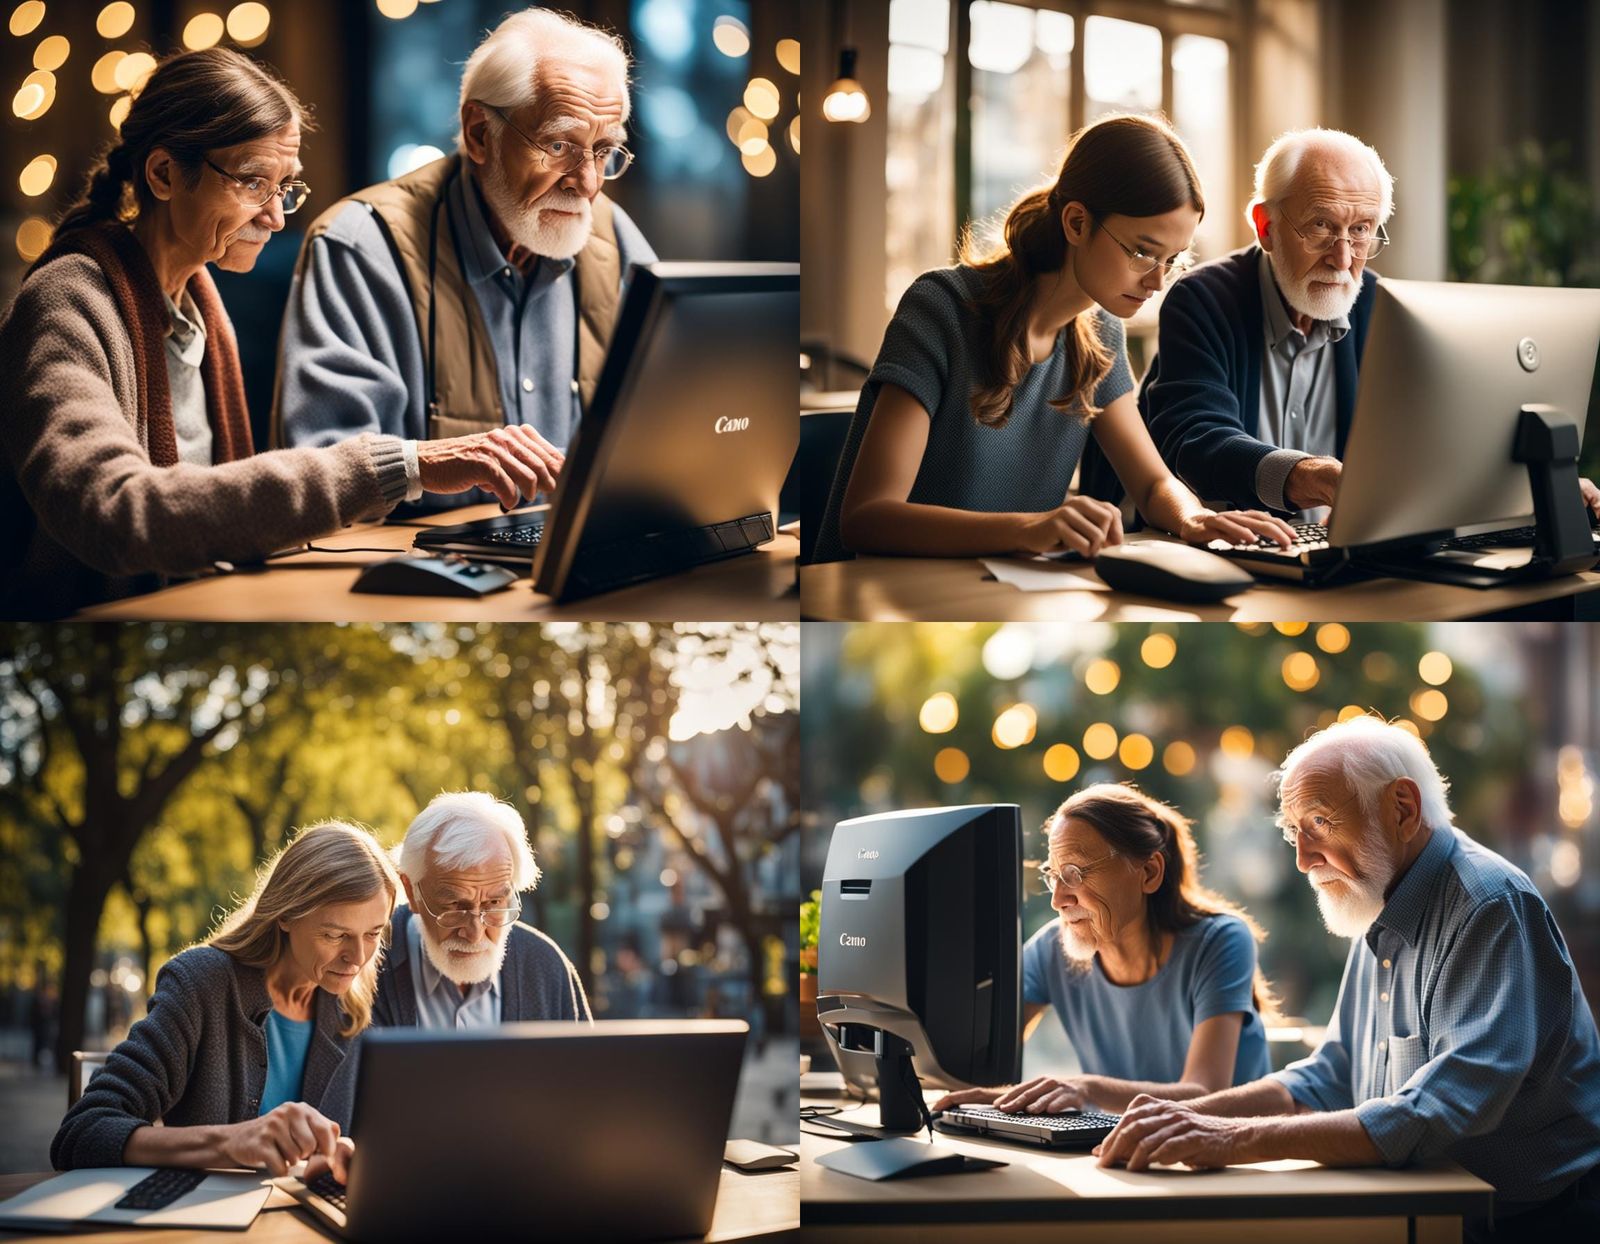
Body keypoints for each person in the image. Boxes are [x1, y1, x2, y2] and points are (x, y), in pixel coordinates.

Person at [0, 48, 566, 619]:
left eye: (285, 188)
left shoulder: (196, 298)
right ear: (165, 174)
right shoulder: (67, 300)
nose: (276, 217)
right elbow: (118, 513)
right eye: (252, 183)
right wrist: (404, 465)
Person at [1094, 717, 1600, 1242]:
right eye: (1294, 831)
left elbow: (1435, 1110)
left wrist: (1231, 1138)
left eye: (1318, 823)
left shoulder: (1488, 906)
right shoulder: (1379, 895)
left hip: (1535, 1223)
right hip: (1430, 1213)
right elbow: (1328, 1077)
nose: (1302, 858)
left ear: (1402, 809)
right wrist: (1183, 1117)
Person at [812, 114, 1295, 564]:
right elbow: (866, 519)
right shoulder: (942, 308)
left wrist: (1197, 519)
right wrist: (1029, 528)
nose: (1157, 281)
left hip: (990, 595)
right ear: (1077, 223)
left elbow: (1151, 485)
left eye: (1173, 260)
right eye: (1143, 252)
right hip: (875, 601)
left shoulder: (1100, 333)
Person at [273, 8, 656, 512]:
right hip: (416, 577)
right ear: (479, 133)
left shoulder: (614, 240)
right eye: (559, 144)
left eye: (604, 150)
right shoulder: (361, 246)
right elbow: (321, 475)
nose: (586, 184)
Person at [1139, 127, 1600, 523]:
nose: (1343, 259)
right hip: (1223, 550)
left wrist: (1531, 486)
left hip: (1339, 558)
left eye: (1361, 229)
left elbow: (1440, 440)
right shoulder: (1202, 299)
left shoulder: (1386, 309)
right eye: (1321, 225)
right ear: (1266, 227)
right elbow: (1194, 439)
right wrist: (1305, 476)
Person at [51, 822, 401, 1183]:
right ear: (284, 914)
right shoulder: (202, 982)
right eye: (335, 934)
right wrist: (231, 1142)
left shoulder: (353, 1011)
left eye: (373, 933)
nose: (357, 958)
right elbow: (83, 1132)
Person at [934, 784, 1275, 1117]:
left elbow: (1206, 1091)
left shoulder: (1220, 941)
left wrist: (1087, 1089)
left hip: (1233, 1160)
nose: (1058, 901)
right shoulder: (1052, 949)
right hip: (1124, 1152)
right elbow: (979, 1054)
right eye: (1054, 876)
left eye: (1076, 873)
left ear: (1149, 872)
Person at [376, 791, 589, 1027]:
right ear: (411, 891)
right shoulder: (364, 967)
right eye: (455, 906)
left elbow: (587, 1064)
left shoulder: (545, 967)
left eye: (495, 904)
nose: (475, 933)